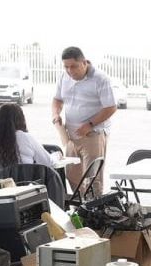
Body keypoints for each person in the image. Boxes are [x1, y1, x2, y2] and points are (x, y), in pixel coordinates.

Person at [51, 46, 116, 196]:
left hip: (93, 135)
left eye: (73, 66)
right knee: (71, 174)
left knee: (92, 178)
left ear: (84, 62)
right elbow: (57, 99)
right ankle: (82, 207)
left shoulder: (100, 79)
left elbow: (111, 107)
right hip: (70, 135)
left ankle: (93, 211)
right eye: (66, 67)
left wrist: (90, 124)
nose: (69, 71)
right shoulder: (64, 77)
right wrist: (56, 114)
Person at [0, 103, 54, 178]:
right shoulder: (25, 138)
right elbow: (47, 162)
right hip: (24, 186)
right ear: (21, 119)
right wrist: (56, 156)